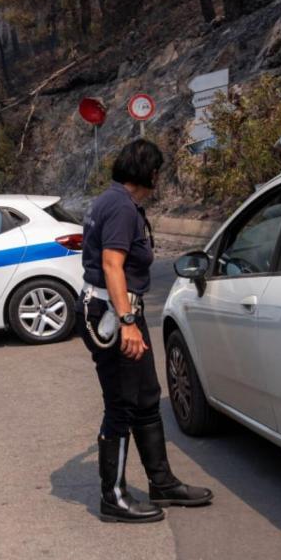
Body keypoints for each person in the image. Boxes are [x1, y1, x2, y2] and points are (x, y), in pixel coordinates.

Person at [81, 139, 214, 523]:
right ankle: (114, 497)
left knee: (146, 397)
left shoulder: (112, 200)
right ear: (151, 174)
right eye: (159, 172)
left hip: (120, 307)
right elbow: (111, 264)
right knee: (122, 403)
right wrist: (126, 324)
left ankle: (162, 483)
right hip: (113, 311)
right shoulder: (122, 207)